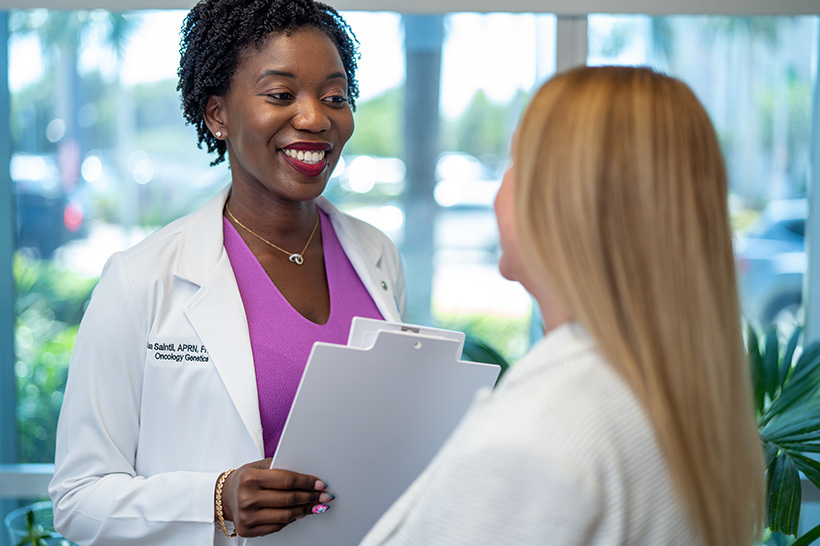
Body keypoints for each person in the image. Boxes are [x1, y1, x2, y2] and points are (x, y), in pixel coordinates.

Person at [49, 0, 406, 544]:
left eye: (334, 97)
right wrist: (215, 500)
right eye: (281, 95)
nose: (315, 117)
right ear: (218, 114)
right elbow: (78, 499)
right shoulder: (141, 280)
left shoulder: (377, 256)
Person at [361, 66, 765, 546]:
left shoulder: (537, 437)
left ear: (564, 199)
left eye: (514, 161)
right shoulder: (679, 391)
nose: (500, 187)